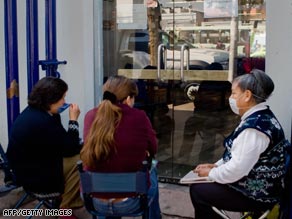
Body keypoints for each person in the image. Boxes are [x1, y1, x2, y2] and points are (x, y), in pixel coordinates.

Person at [189, 69, 290, 218]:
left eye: (234, 93)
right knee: (202, 186)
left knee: (198, 191)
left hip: (258, 194)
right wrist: (216, 166)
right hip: (261, 187)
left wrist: (211, 173)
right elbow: (237, 156)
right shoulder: (261, 117)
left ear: (247, 95)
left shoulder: (254, 129)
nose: (231, 98)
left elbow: (236, 170)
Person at [6, 76, 90, 219]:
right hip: (38, 180)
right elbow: (70, 148)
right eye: (62, 98)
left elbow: (62, 143)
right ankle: (67, 207)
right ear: (51, 99)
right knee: (83, 159)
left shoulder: (34, 112)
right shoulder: (43, 121)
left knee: (79, 154)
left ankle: (66, 203)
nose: (64, 101)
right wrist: (73, 120)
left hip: (27, 171)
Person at [81, 75, 161, 219]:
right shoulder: (139, 117)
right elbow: (153, 148)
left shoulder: (90, 116)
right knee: (153, 168)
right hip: (131, 202)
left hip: (94, 202)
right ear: (129, 98)